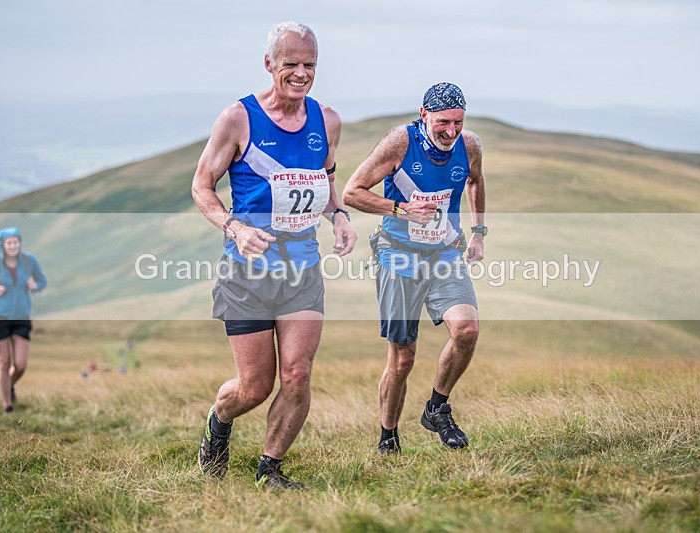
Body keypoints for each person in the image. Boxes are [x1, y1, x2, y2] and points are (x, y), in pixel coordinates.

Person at [191, 21, 357, 489]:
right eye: (291, 64)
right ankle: (219, 422)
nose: (301, 73)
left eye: (310, 65)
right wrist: (234, 227)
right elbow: (201, 186)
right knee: (254, 387)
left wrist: (340, 215)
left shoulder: (327, 121)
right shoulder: (238, 118)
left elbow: (321, 184)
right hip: (247, 272)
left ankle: (270, 470)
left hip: (302, 268)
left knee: (298, 374)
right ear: (269, 65)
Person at [343, 82, 486, 454]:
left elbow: (475, 180)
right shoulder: (399, 143)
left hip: (444, 254)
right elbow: (352, 191)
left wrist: (479, 232)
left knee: (467, 331)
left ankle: (437, 408)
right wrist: (401, 209)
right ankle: (388, 436)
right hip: (399, 255)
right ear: (424, 114)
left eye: (458, 122)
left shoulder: (469, 145)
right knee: (403, 358)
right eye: (443, 122)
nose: (451, 131)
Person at [0, 227, 47, 414]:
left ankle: (8, 385)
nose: (13, 245)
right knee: (3, 362)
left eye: (16, 242)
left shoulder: (30, 262)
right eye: (9, 242)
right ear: (3, 245)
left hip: (21, 317)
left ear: (20, 243)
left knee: (20, 364)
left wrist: (34, 286)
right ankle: (7, 406)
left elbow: (42, 281)